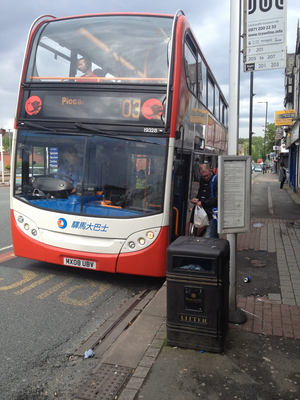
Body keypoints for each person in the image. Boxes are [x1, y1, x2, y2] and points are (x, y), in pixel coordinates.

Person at [191, 163, 218, 238]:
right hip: (203, 212)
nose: (206, 178)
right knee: (213, 235)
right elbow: (200, 193)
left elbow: (216, 199)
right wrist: (197, 200)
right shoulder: (202, 180)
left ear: (210, 171)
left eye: (207, 175)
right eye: (203, 176)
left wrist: (202, 203)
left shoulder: (216, 180)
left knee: (210, 235)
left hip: (211, 213)